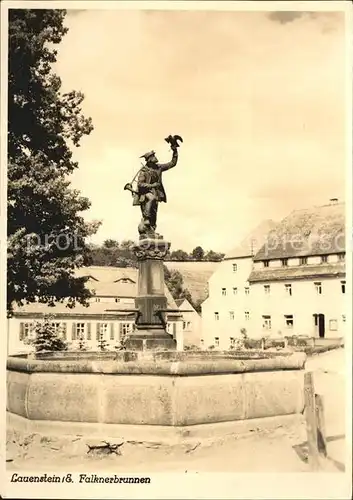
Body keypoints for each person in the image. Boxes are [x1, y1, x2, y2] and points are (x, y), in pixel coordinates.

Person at [134, 145, 179, 237]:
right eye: (153, 156)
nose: (155, 157)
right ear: (149, 159)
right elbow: (140, 184)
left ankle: (152, 230)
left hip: (156, 193)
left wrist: (175, 150)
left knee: (154, 212)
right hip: (145, 193)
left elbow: (172, 163)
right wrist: (152, 185)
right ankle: (146, 219)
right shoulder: (144, 171)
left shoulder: (159, 167)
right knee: (151, 198)